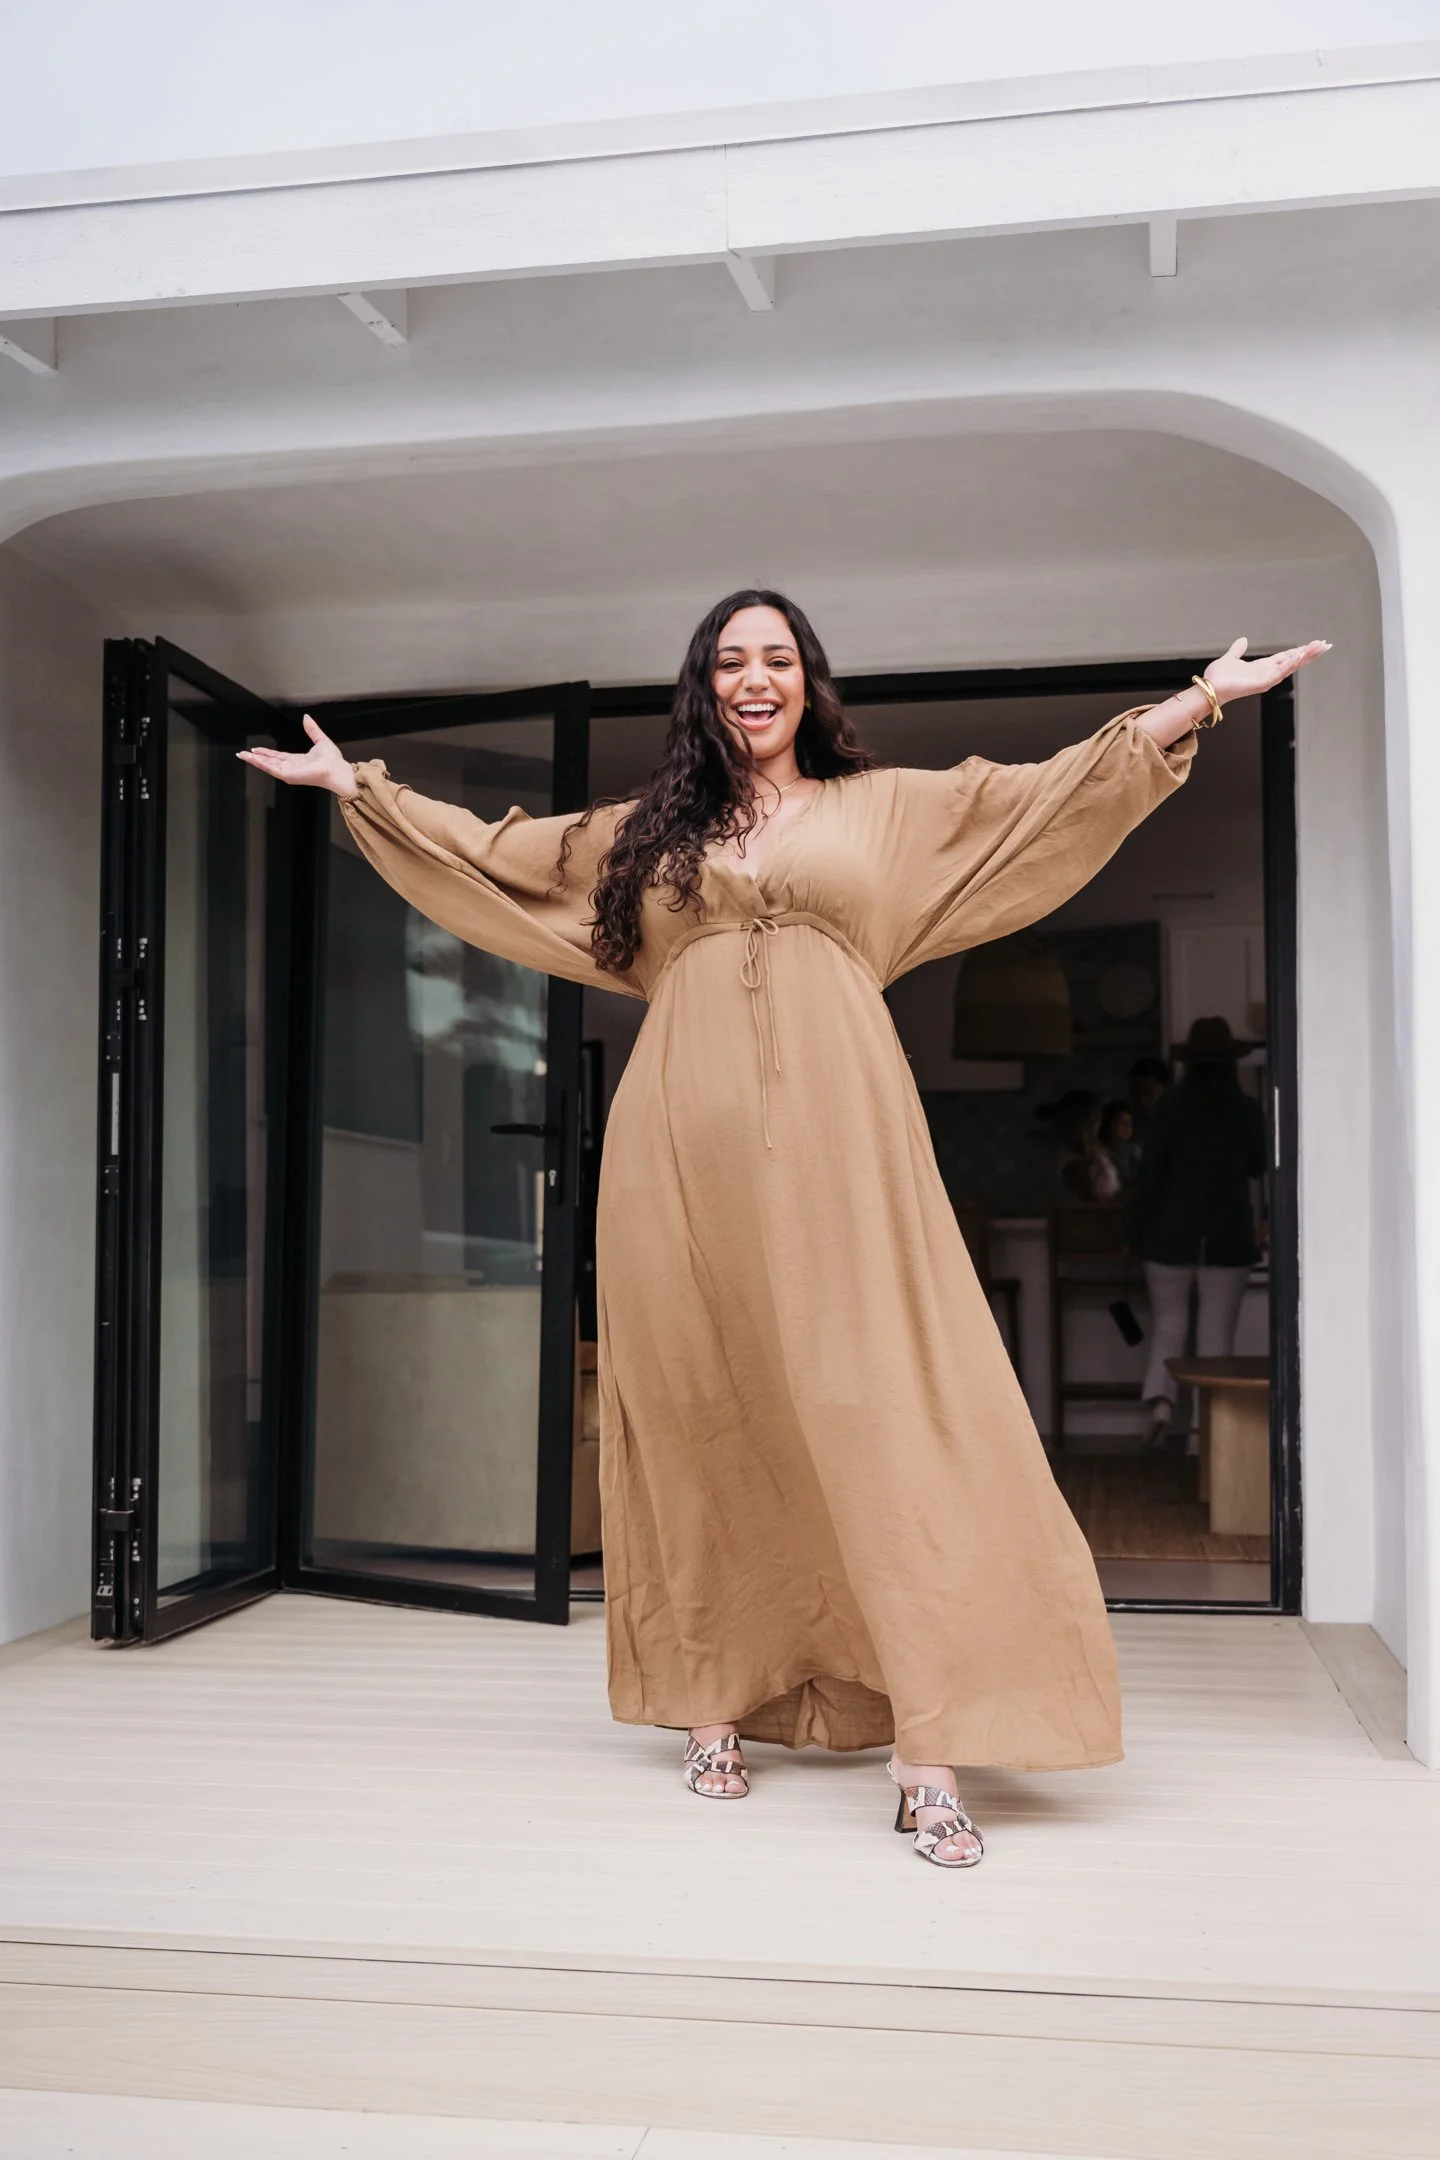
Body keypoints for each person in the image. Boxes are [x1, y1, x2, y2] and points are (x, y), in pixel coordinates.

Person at [241, 599, 1327, 1870]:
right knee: (706, 1406)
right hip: (676, 1159)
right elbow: (501, 854)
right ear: (702, 688)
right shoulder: (645, 836)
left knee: (893, 1408)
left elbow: (1046, 795)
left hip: (844, 1143)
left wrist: (1198, 698)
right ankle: (714, 1705)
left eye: (778, 658)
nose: (755, 678)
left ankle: (931, 1748)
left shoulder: (887, 809)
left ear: (809, 682)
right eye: (729, 660)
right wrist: (355, 789)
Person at [1128, 1017, 1270, 1445]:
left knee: (1168, 1325)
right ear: (1230, 1063)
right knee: (1215, 1336)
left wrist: (1132, 1232)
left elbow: (1148, 1174)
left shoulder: (1170, 1106)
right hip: (1225, 1236)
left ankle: (1161, 1402)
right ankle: (1203, 1432)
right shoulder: (1245, 1109)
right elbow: (1259, 1165)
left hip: (1168, 1235)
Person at [1100, 1099, 1144, 1186]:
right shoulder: (1102, 1149)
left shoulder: (1133, 1149)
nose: (1127, 1126)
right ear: (1111, 1124)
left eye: (1130, 1123)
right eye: (1122, 1122)